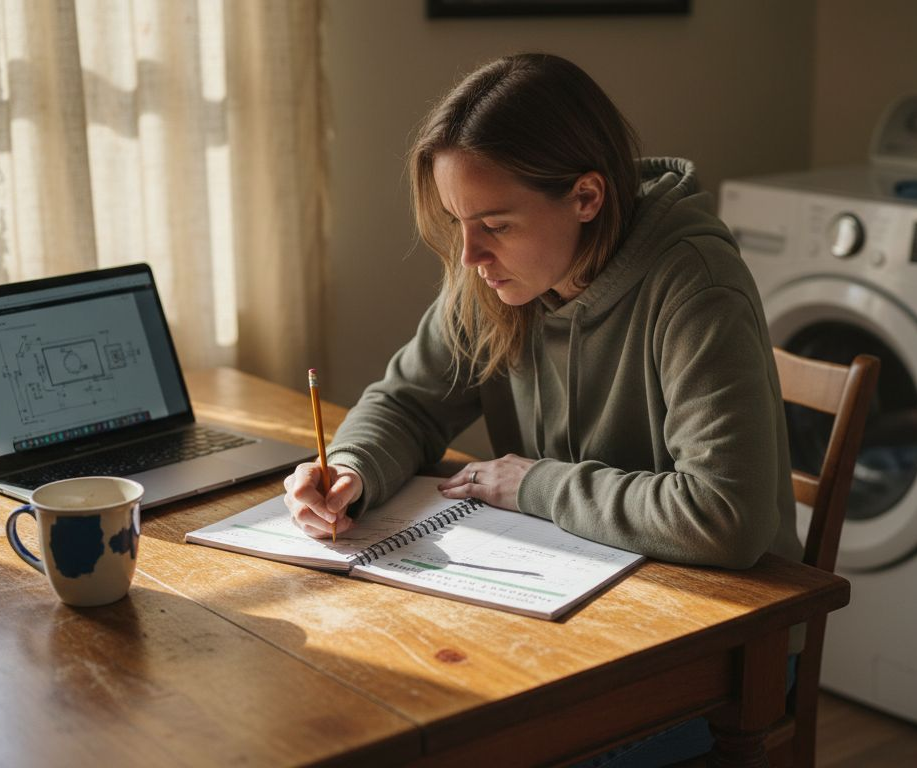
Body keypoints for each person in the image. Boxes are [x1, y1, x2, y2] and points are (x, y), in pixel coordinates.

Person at [285, 52, 799, 762]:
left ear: (586, 197)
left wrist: (531, 484)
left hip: (715, 649)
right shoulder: (497, 279)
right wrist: (351, 468)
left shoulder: (695, 287)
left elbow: (726, 518)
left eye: (494, 223)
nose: (469, 255)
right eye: (458, 221)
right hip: (572, 608)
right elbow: (408, 401)